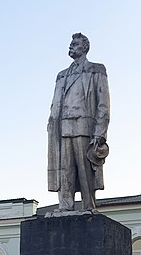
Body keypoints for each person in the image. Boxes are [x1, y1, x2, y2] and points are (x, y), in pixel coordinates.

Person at [47, 33, 110, 212]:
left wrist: (100, 132)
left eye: (75, 44)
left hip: (84, 126)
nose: (71, 46)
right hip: (63, 127)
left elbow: (103, 103)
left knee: (85, 170)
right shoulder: (62, 75)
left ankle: (89, 206)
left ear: (85, 47)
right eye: (71, 43)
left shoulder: (96, 69)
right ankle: (65, 206)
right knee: (65, 169)